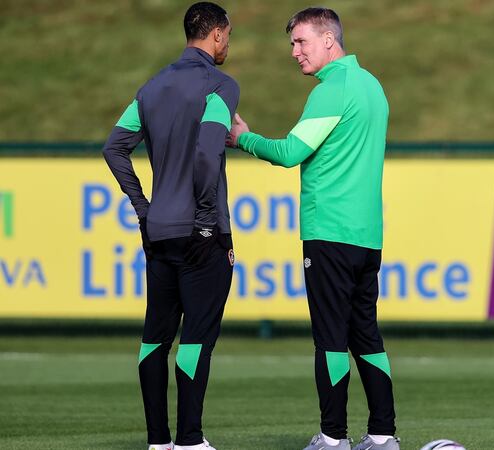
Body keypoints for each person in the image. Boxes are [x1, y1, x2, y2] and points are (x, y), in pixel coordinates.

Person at [227, 7, 398, 450]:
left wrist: (243, 137)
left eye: (301, 42)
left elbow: (289, 152)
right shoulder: (373, 86)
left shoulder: (332, 89)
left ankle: (333, 436)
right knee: (366, 335)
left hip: (329, 233)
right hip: (367, 235)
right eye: (292, 44)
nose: (294, 52)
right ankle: (382, 435)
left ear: (329, 40)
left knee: (330, 338)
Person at [102, 2, 238, 449]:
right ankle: (190, 441)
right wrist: (205, 219)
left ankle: (159, 442)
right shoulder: (220, 85)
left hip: (158, 229)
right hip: (201, 233)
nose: (228, 45)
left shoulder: (152, 87)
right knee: (196, 338)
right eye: (228, 36)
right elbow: (207, 152)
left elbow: (114, 149)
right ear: (217, 34)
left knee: (154, 338)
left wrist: (143, 207)